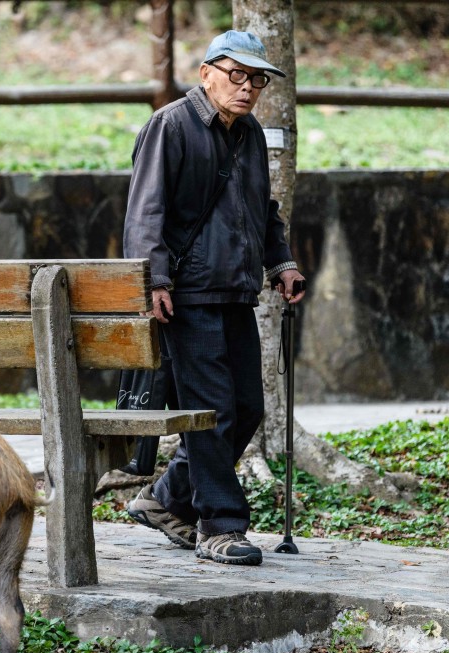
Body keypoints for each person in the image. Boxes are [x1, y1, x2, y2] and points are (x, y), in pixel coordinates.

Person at [122, 29, 306, 567]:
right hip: (188, 294)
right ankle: (219, 526)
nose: (247, 87)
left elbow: (260, 209)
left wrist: (282, 261)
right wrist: (153, 281)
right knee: (212, 411)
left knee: (246, 406)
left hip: (235, 290)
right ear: (207, 72)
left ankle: (164, 498)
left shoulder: (247, 133)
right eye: (237, 75)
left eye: (257, 79)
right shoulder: (171, 126)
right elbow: (145, 211)